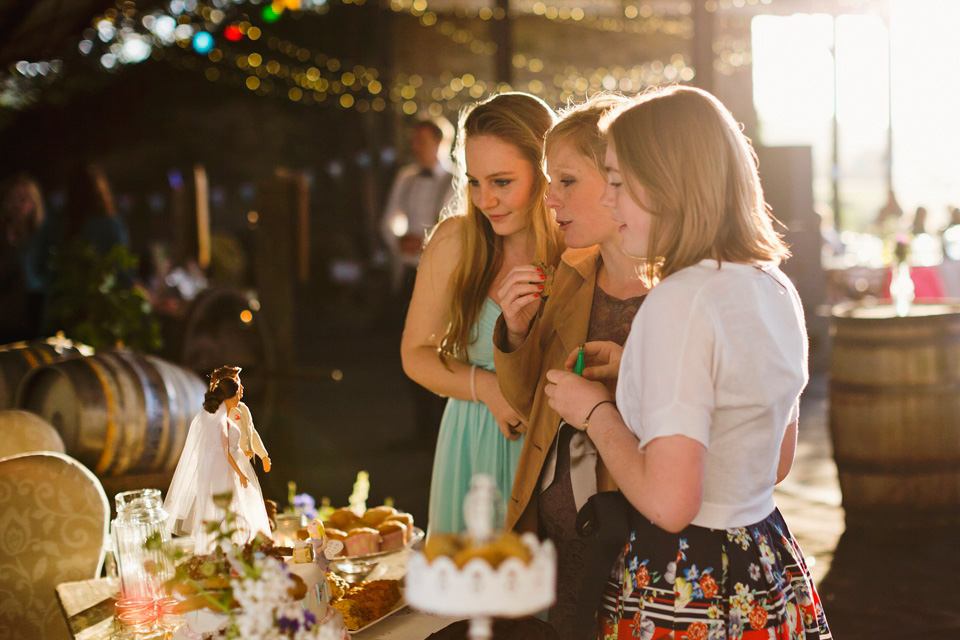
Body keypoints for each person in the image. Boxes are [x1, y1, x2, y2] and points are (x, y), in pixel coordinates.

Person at [543, 86, 832, 639]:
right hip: (767, 566)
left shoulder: (679, 300)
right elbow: (772, 462)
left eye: (620, 184)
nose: (609, 202)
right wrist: (638, 369)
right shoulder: (773, 286)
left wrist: (596, 412)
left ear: (669, 185)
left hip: (686, 582)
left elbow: (670, 505)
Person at [492, 95, 650, 637]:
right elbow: (526, 402)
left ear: (618, 179)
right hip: (565, 540)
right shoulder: (569, 273)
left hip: (637, 539)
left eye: (565, 181)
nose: (549, 200)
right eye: (547, 182)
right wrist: (514, 332)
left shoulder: (679, 289)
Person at [401, 93, 564, 535]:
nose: (485, 200)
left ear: (546, 171)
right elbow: (415, 352)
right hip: (475, 441)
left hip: (560, 445)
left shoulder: (577, 244)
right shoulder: (456, 241)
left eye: (502, 182)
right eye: (474, 182)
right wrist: (487, 387)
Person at [163, 368, 272, 554]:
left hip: (238, 462)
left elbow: (251, 433)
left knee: (243, 505)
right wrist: (240, 473)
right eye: (236, 390)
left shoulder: (239, 411)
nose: (240, 394)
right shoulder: (220, 419)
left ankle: (244, 544)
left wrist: (262, 455)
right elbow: (223, 451)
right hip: (227, 468)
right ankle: (232, 546)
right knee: (230, 506)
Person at [0, 173, 48, 342]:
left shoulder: (42, 237)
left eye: (23, 198)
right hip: (5, 317)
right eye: (13, 198)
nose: (17, 204)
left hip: (33, 316)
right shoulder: (3, 236)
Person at [211, 365, 271, 472]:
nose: (242, 387)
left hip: (245, 463)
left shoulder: (243, 408)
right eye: (238, 384)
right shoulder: (220, 412)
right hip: (228, 465)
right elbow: (219, 443)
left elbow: (251, 432)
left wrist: (263, 455)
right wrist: (240, 453)